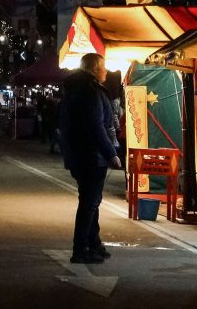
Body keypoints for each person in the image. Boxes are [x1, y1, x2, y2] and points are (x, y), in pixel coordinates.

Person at [58, 53, 121, 264]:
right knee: (89, 203)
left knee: (91, 201)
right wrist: (111, 153)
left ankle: (94, 243)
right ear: (95, 69)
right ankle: (81, 248)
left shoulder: (75, 89)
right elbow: (96, 127)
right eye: (104, 66)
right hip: (91, 156)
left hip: (78, 154)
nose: (106, 71)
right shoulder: (90, 91)